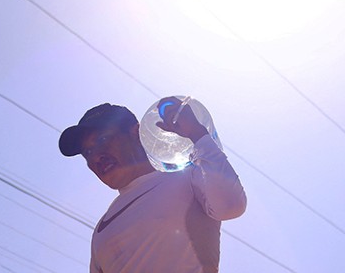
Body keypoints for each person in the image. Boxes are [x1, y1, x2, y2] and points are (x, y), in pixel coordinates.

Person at [59, 98, 247, 273]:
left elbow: (231, 205)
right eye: (88, 151)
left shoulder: (188, 178)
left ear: (136, 133)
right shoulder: (101, 228)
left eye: (103, 140)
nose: (95, 156)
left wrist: (197, 133)